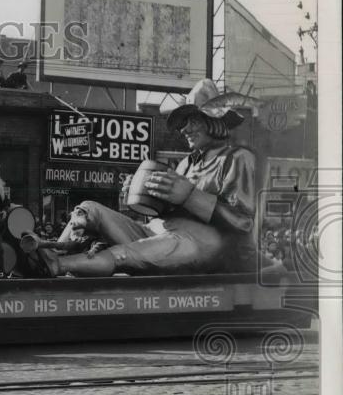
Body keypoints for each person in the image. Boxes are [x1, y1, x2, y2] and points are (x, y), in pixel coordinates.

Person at [21, 79, 257, 277]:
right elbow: (169, 212)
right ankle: (56, 251)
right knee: (88, 209)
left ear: (213, 120)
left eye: (192, 120)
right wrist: (144, 196)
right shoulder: (185, 163)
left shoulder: (237, 158)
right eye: (184, 123)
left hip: (198, 245)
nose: (184, 129)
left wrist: (190, 196)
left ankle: (58, 265)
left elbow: (243, 222)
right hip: (159, 233)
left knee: (123, 253)